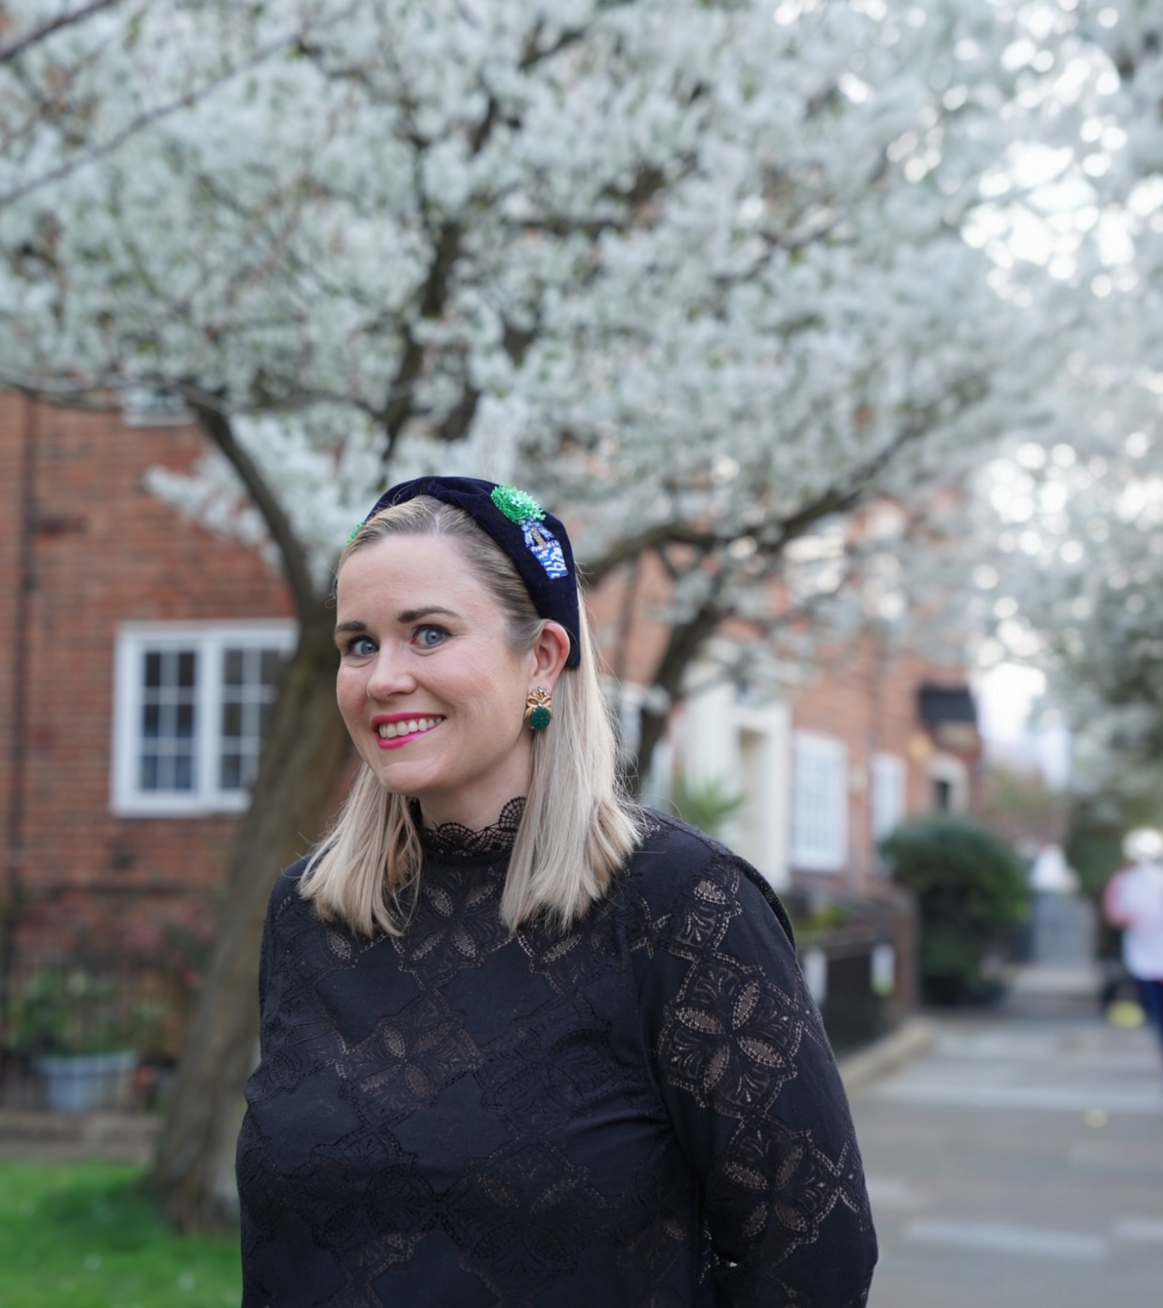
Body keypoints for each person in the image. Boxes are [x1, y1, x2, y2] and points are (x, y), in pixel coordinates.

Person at [236, 477, 877, 1306]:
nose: (383, 677)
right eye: (358, 644)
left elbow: (812, 1259)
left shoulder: (680, 906)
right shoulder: (308, 914)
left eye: (427, 633)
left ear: (541, 656)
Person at [1103, 827, 1163, 1055]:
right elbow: (1114, 914)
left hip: (1146, 955)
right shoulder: (1125, 880)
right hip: (1144, 956)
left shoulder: (1125, 880)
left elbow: (1114, 914)